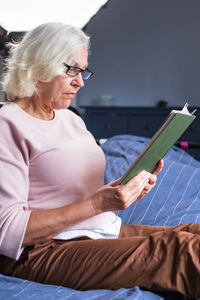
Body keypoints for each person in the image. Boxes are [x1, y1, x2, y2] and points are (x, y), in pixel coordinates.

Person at [0, 22, 199, 299]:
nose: (79, 81)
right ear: (39, 64)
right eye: (71, 70)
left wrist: (126, 189)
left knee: (195, 233)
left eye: (83, 71)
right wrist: (99, 203)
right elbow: (7, 231)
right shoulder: (8, 123)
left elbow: (74, 192)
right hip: (44, 249)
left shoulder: (71, 119)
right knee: (183, 251)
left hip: (103, 231)